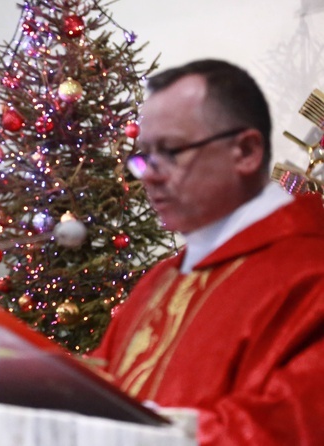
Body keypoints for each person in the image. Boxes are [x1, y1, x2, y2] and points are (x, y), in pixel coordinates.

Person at [91, 59, 324, 445]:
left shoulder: (309, 277)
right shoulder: (158, 282)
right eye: (143, 156)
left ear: (246, 151)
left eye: (170, 151)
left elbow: (292, 428)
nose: (148, 174)